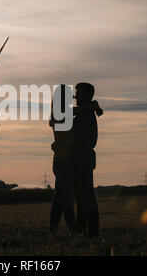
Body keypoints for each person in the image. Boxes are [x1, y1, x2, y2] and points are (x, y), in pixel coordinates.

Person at [72, 82, 102, 237]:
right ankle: (87, 230)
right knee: (84, 196)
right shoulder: (87, 111)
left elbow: (79, 138)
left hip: (82, 158)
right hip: (84, 158)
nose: (75, 96)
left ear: (85, 94)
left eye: (78, 93)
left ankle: (89, 230)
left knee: (85, 197)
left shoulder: (85, 114)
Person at [49, 84, 76, 234]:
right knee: (67, 198)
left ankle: (53, 228)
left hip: (60, 160)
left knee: (59, 198)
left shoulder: (57, 114)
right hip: (64, 161)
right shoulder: (62, 114)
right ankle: (73, 229)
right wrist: (94, 106)